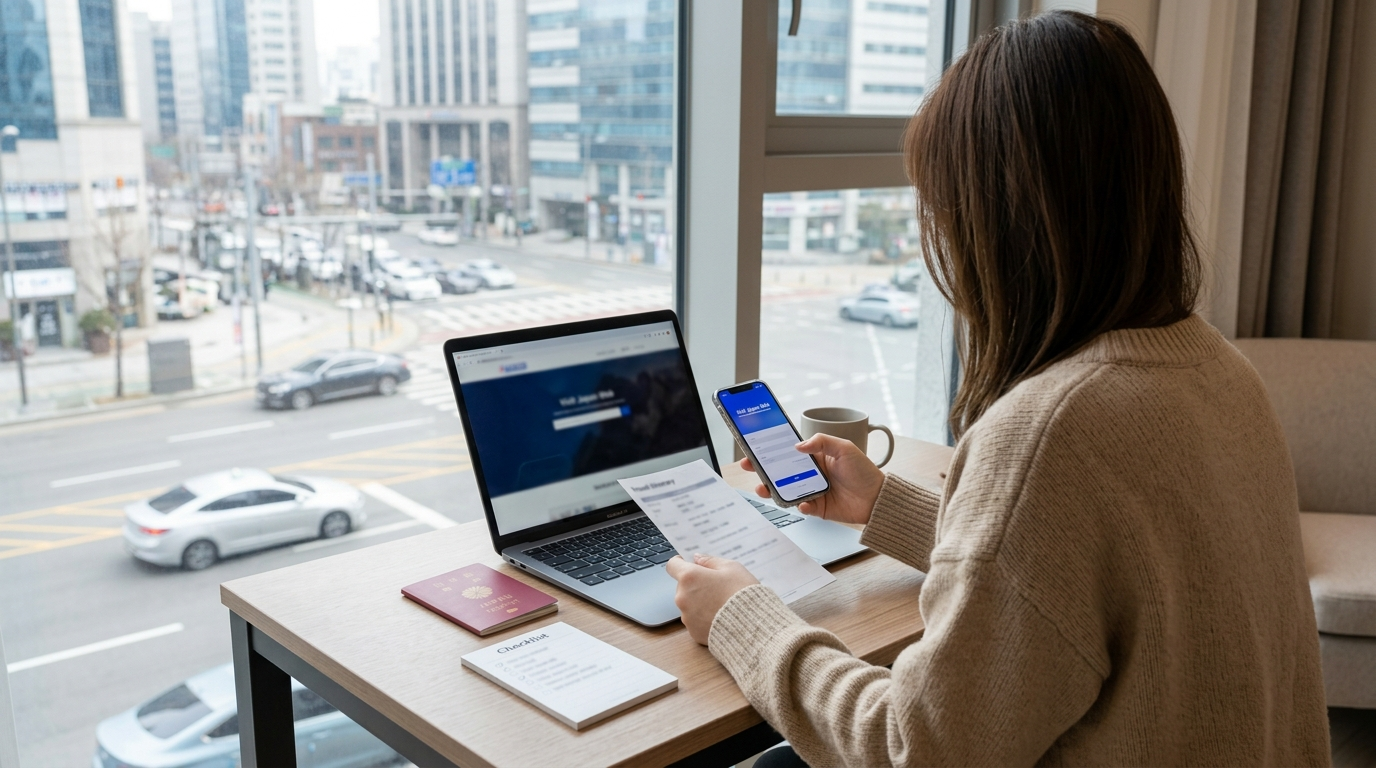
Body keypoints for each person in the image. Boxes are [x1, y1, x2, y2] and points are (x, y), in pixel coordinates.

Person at [665, 11, 1329, 767]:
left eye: (946, 211)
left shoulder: (1053, 429)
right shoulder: (1216, 368)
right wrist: (885, 506)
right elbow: (1075, 572)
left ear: (999, 222)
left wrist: (741, 618)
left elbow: (914, 750)